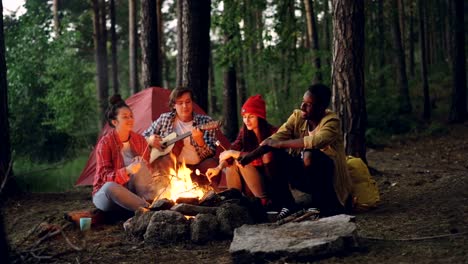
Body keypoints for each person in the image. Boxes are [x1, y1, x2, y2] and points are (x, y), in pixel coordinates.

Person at [241, 83, 352, 217]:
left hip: (329, 181)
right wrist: (250, 156)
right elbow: (275, 138)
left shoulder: (332, 122)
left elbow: (316, 141)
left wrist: (281, 144)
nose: (302, 107)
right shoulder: (298, 117)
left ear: (321, 108)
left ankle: (321, 205)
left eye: (308, 104)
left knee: (309, 154)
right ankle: (287, 204)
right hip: (304, 176)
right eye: (303, 102)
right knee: (270, 153)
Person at [206, 95, 284, 207]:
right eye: (244, 116)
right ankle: (234, 202)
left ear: (260, 117)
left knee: (242, 160)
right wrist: (219, 168)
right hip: (249, 186)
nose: (246, 120)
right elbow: (233, 149)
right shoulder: (245, 132)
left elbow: (264, 159)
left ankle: (265, 203)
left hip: (270, 186)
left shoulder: (273, 133)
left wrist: (234, 154)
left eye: (251, 116)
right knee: (233, 162)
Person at [142, 86, 219, 187]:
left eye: (188, 102)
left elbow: (211, 153)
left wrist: (200, 142)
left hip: (197, 170)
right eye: (180, 103)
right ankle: (166, 194)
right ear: (174, 105)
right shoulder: (165, 119)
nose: (184, 106)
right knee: (165, 160)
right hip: (172, 169)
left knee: (212, 164)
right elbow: (142, 137)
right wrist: (150, 140)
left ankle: (208, 197)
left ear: (192, 103)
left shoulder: (206, 122)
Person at [93, 95, 154, 213]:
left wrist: (143, 164)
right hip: (108, 196)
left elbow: (148, 173)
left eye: (131, 116)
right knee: (109, 187)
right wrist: (127, 170)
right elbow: (104, 178)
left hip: (133, 193)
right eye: (125, 117)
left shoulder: (140, 140)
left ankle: (145, 205)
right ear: (115, 122)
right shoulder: (105, 143)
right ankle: (149, 209)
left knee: (141, 164)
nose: (130, 119)